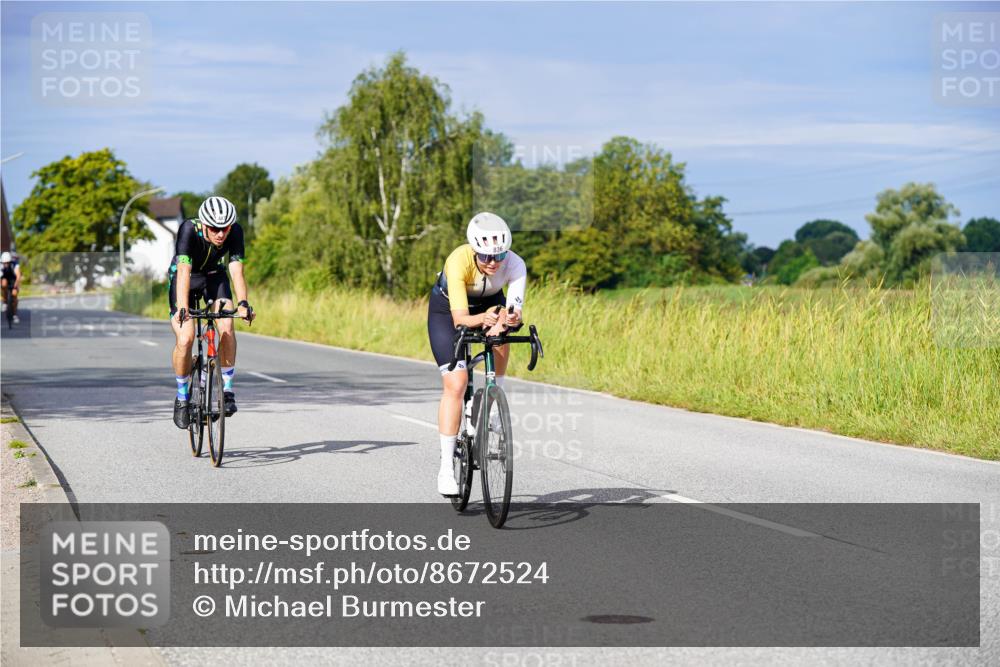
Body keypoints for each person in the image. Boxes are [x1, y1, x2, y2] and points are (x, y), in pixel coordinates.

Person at [427, 212, 526, 495]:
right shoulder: (458, 260)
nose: (493, 263)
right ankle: (447, 468)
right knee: (456, 384)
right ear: (474, 250)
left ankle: (495, 399)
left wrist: (508, 319)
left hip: (489, 303)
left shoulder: (516, 265)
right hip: (448, 312)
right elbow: (461, 319)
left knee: (502, 333)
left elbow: (515, 311)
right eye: (485, 257)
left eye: (499, 256)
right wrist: (486, 317)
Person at [168, 196, 255, 429]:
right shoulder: (188, 229)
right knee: (185, 339)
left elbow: (236, 270)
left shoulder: (235, 231)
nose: (220, 234)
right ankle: (183, 397)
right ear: (204, 224)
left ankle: (226, 390)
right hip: (187, 277)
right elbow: (184, 270)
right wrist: (183, 309)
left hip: (215, 278)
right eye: (215, 229)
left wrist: (244, 303)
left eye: (224, 228)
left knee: (226, 325)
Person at [0, 251, 22, 323]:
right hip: (5, 279)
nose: (6, 264)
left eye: (7, 262)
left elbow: (18, 276)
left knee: (14, 295)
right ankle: (4, 301)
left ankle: (15, 315)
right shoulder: (1, 266)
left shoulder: (15, 264)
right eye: (4, 262)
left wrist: (15, 286)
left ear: (10, 261)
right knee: (3, 283)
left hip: (13, 280)